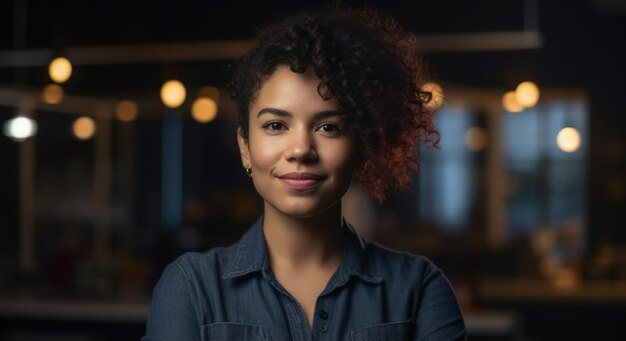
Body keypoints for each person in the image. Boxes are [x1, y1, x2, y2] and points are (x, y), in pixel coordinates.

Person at [143, 8, 466, 341]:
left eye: (328, 127)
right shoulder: (191, 288)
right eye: (275, 126)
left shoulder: (418, 290)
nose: (300, 149)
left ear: (360, 145)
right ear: (245, 147)